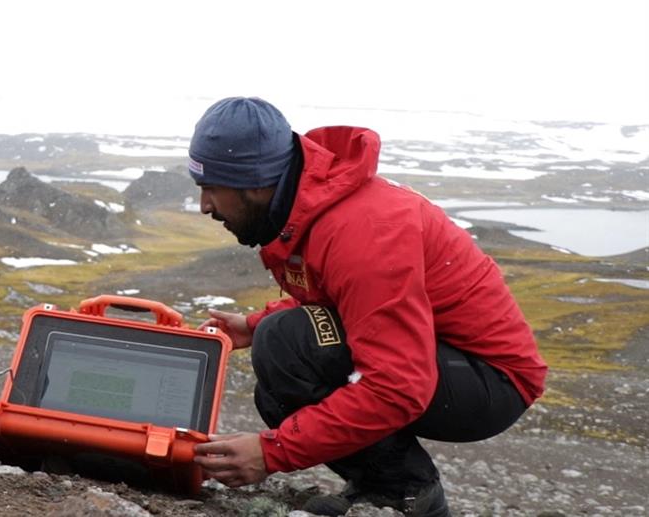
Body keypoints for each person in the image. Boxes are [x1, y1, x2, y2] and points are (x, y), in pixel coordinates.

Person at [189, 98, 547, 516]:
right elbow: (338, 300)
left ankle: (410, 494)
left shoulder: (362, 231)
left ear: (254, 182)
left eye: (211, 187)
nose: (205, 206)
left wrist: (271, 453)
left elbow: (397, 387)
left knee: (286, 345)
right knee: (276, 382)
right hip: (438, 355)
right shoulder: (307, 206)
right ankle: (382, 486)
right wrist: (254, 323)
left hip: (491, 380)